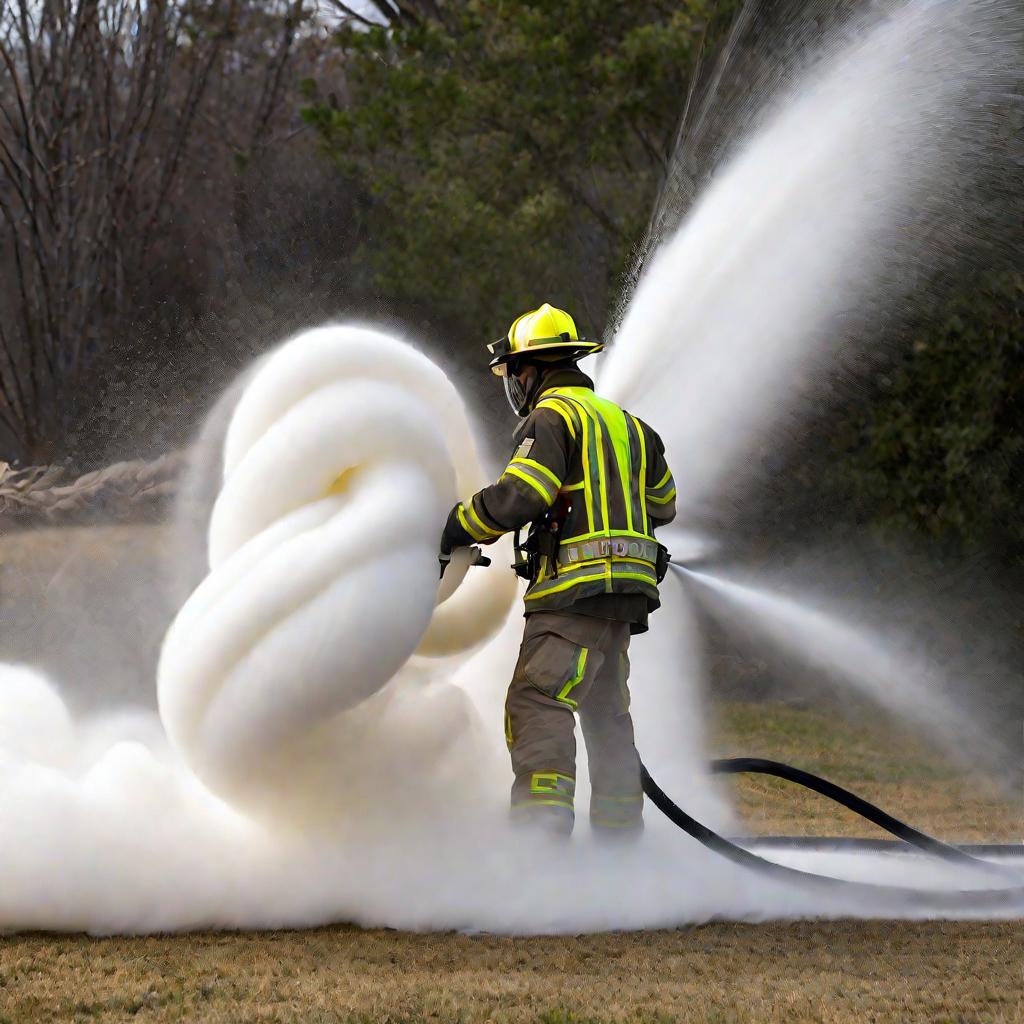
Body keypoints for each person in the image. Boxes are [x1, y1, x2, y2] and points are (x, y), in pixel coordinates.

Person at [439, 303, 676, 838]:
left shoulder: (550, 419)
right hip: (625, 605)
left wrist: (459, 524)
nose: (514, 383)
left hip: (570, 598)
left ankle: (538, 846)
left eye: (514, 371)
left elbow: (524, 493)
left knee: (538, 702)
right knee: (606, 716)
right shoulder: (633, 427)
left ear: (532, 369)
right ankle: (620, 847)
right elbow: (664, 503)